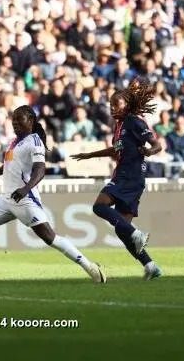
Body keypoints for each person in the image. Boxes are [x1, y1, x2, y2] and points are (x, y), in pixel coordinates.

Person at [0, 105, 106, 284]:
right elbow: (10, 163)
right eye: (13, 120)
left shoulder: (34, 141)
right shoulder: (15, 141)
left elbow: (40, 170)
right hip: (6, 199)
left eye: (20, 120)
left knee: (50, 237)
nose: (15, 123)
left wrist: (26, 188)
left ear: (31, 121)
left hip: (25, 199)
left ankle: (90, 268)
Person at [71, 78, 163, 280]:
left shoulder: (133, 121)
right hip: (127, 177)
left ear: (127, 105)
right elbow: (116, 149)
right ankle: (150, 265)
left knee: (99, 206)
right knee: (123, 231)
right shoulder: (121, 125)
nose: (112, 108)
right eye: (111, 104)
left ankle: (137, 234)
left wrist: (149, 151)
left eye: (116, 104)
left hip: (130, 177)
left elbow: (157, 144)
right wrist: (89, 155)